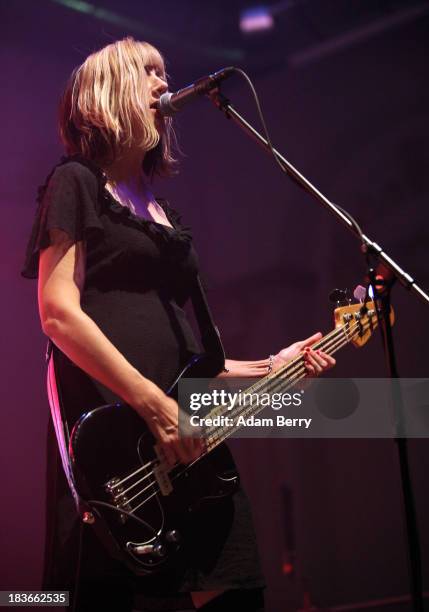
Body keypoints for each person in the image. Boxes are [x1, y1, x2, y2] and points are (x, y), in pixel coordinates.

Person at [21, 37, 335, 611]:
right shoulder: (77, 182)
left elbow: (193, 360)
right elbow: (58, 311)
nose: (164, 84)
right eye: (147, 72)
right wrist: (151, 404)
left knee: (236, 592)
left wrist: (271, 367)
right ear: (109, 89)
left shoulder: (165, 214)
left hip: (190, 437)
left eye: (165, 72)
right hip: (120, 443)